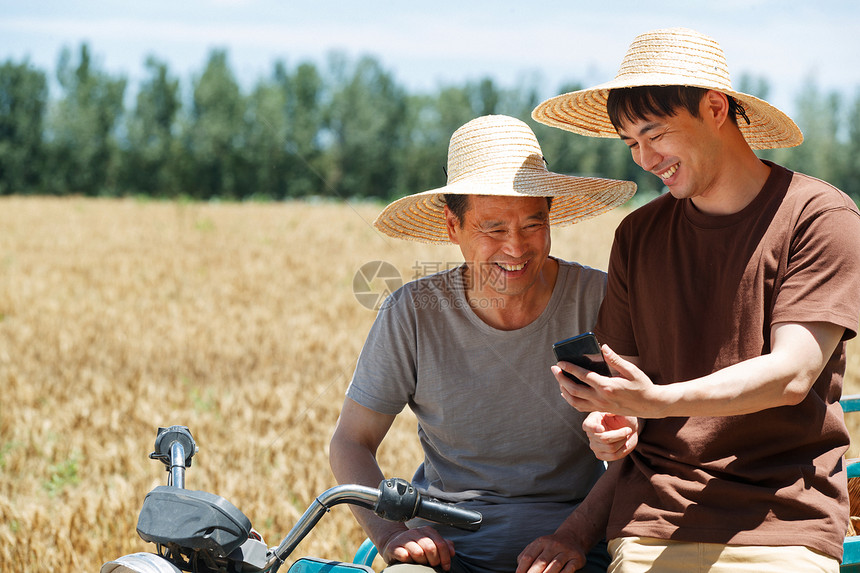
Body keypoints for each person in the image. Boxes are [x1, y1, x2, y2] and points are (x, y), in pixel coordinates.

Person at [529, 27, 860, 572]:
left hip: (783, 526)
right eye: (631, 143)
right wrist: (615, 422)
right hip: (650, 526)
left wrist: (654, 401)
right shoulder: (638, 235)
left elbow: (792, 374)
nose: (644, 158)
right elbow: (626, 386)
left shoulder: (819, 216)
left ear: (714, 108)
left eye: (655, 133)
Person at [329, 114, 636, 573]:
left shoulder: (601, 299)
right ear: (453, 227)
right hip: (445, 551)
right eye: (493, 229)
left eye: (533, 225)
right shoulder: (412, 312)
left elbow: (644, 442)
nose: (516, 248)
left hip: (575, 548)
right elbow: (351, 442)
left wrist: (575, 535)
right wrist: (393, 535)